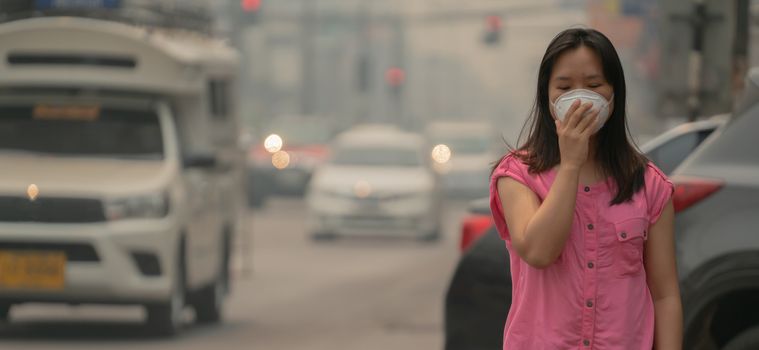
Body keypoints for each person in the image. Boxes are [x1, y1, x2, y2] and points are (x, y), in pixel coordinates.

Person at [489, 28, 682, 349]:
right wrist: (570, 166)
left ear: (613, 94)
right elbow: (538, 252)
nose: (580, 98)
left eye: (593, 85)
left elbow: (665, 295)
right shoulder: (518, 174)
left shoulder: (649, 184)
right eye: (564, 87)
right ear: (548, 100)